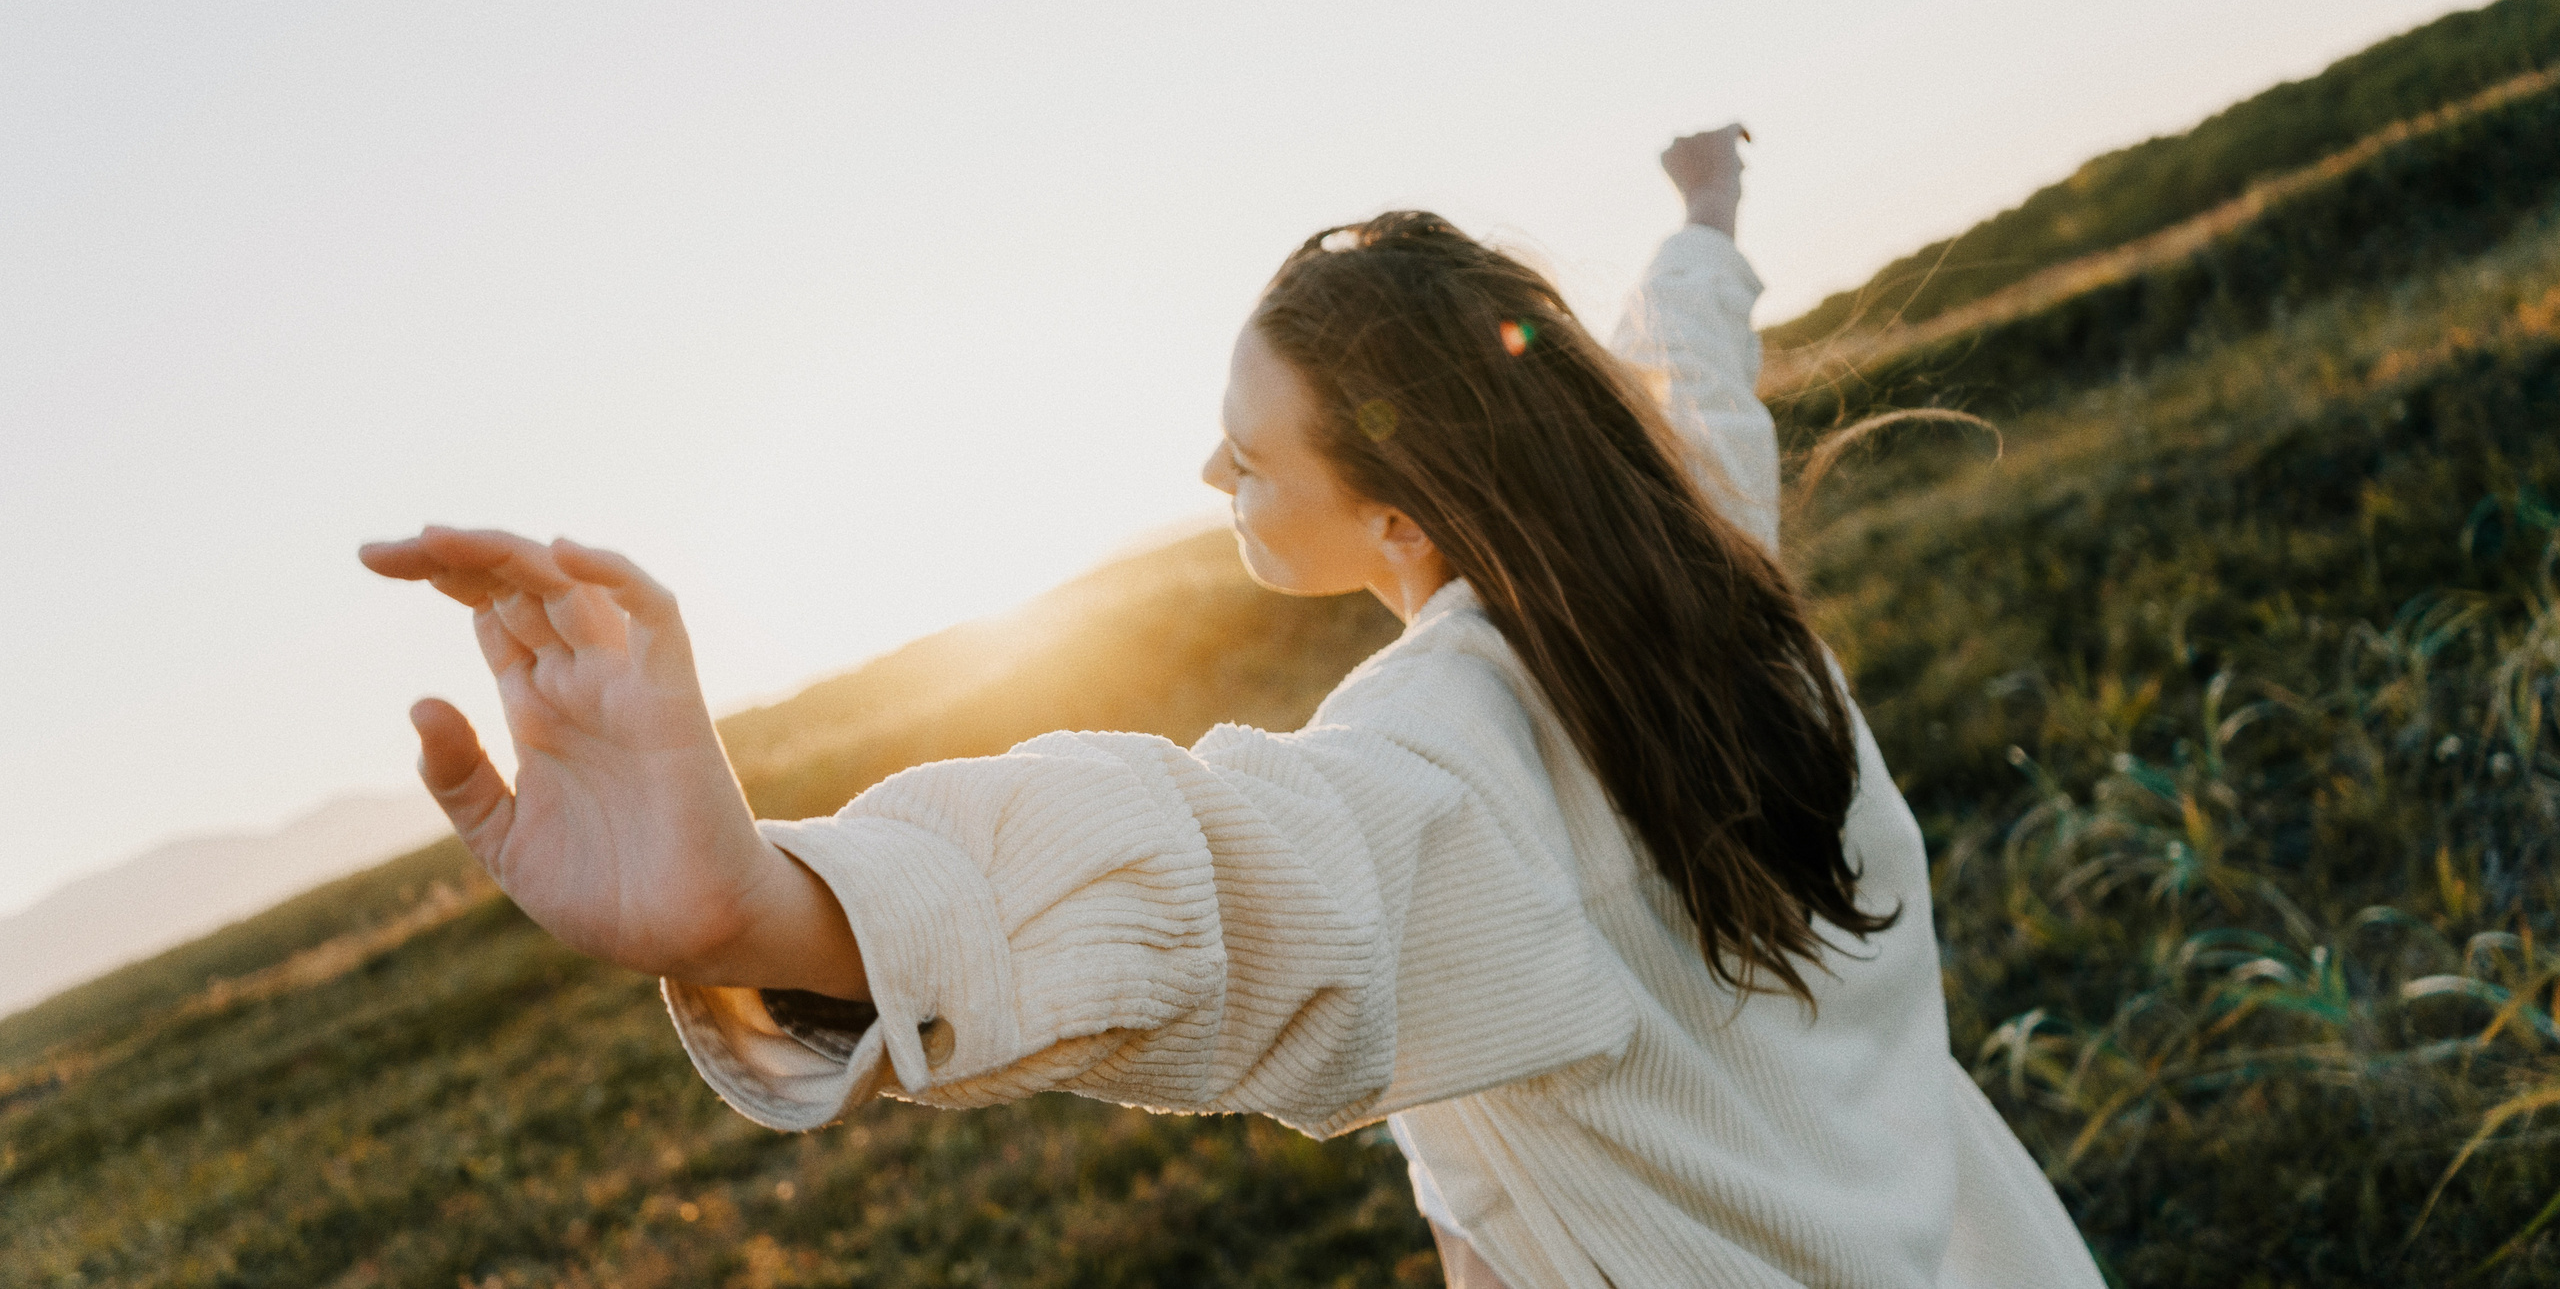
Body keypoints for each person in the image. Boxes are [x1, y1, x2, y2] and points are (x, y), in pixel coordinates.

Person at [361, 127, 2103, 1288]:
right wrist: (1707, 215)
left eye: (1250, 451)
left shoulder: (1461, 761)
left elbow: (1233, 882)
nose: (1211, 469)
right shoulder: (1706, 576)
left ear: (1402, 507)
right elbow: (1697, 369)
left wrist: (767, 908)